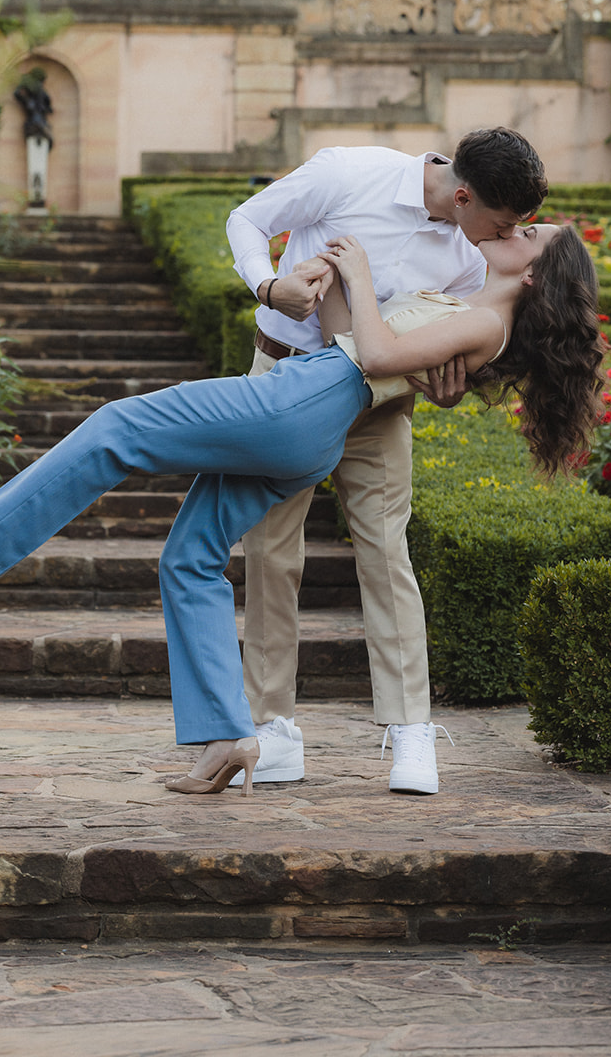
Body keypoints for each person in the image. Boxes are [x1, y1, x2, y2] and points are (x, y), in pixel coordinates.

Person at [0, 222, 602, 799]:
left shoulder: (485, 321)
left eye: (532, 233)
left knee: (117, 425)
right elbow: (352, 337)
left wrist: (355, 267)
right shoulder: (469, 305)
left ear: (534, 273)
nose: (517, 227)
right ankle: (226, 736)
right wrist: (323, 271)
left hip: (299, 402)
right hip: (313, 417)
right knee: (190, 557)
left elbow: (377, 354)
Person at [225, 129, 547, 793]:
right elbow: (247, 218)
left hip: (378, 401)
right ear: (462, 196)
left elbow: (439, 338)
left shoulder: (470, 248)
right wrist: (267, 284)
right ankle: (272, 729)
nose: (511, 233)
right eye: (506, 220)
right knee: (271, 551)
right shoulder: (349, 174)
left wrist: (445, 382)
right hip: (285, 377)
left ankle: (409, 731)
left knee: (385, 549)